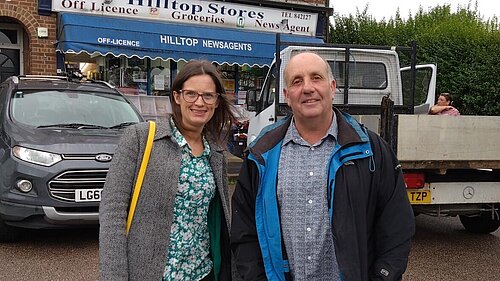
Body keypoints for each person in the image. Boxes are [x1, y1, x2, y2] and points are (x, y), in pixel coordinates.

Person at [230, 52, 415, 281]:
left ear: (332, 87)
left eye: (316, 77)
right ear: (287, 95)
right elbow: (245, 231)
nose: (307, 88)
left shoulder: (370, 150)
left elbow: (396, 224)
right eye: (297, 81)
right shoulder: (262, 154)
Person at [99, 60, 236, 281]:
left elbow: (219, 221)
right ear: (177, 96)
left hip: (202, 274)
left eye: (208, 96)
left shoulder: (216, 153)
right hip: (151, 274)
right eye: (191, 94)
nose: (199, 102)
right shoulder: (141, 138)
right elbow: (112, 213)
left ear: (217, 101)